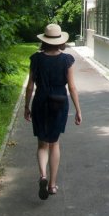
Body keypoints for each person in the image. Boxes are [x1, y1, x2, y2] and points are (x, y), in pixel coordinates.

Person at [24, 23, 82, 199]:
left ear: (44, 41)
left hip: (40, 101)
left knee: (42, 143)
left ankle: (42, 175)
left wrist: (26, 106)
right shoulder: (67, 60)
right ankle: (52, 185)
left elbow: (29, 86)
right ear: (60, 41)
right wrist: (78, 110)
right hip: (59, 102)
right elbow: (72, 87)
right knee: (54, 143)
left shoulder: (36, 59)